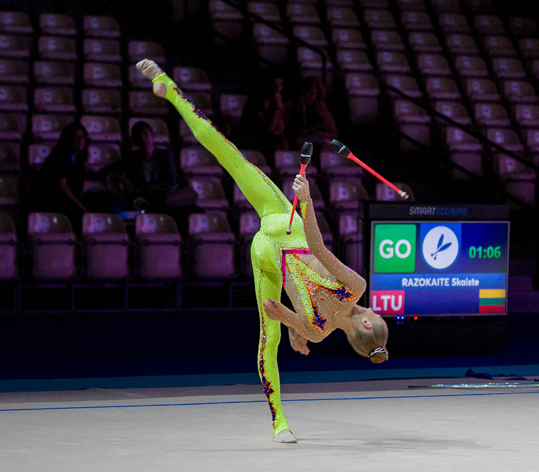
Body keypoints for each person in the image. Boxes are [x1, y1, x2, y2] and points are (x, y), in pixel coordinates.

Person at [136, 59, 388, 443]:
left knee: (227, 151)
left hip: (281, 222)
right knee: (268, 340)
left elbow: (318, 245)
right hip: (265, 258)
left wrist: (305, 202)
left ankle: (168, 87)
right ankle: (279, 424)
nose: (373, 310)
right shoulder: (318, 333)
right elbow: (278, 311)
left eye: (375, 315)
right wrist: (292, 325)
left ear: (367, 323)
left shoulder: (355, 286)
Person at [108, 121, 200, 231]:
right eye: (138, 135)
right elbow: (111, 170)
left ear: (153, 135)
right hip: (145, 199)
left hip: (164, 196)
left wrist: (144, 188)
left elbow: (171, 180)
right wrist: (122, 180)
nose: (143, 138)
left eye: (145, 134)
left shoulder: (166, 155)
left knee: (192, 211)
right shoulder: (132, 158)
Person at [31, 122, 110, 229]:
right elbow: (62, 188)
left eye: (82, 137)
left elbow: (84, 175)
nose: (80, 140)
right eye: (76, 137)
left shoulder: (77, 160)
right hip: (54, 204)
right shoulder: (59, 157)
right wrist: (82, 209)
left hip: (67, 203)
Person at [237, 71, 288, 161]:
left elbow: (280, 129)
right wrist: (277, 108)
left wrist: (279, 108)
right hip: (249, 137)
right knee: (276, 148)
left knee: (282, 140)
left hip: (265, 138)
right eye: (274, 85)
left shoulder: (275, 103)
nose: (277, 89)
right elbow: (268, 129)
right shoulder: (255, 101)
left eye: (280, 85)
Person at [284, 76, 338, 151]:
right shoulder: (290, 106)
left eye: (314, 94)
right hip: (296, 141)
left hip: (317, 140)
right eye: (309, 93)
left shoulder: (321, 109)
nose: (311, 97)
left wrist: (317, 133)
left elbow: (333, 133)